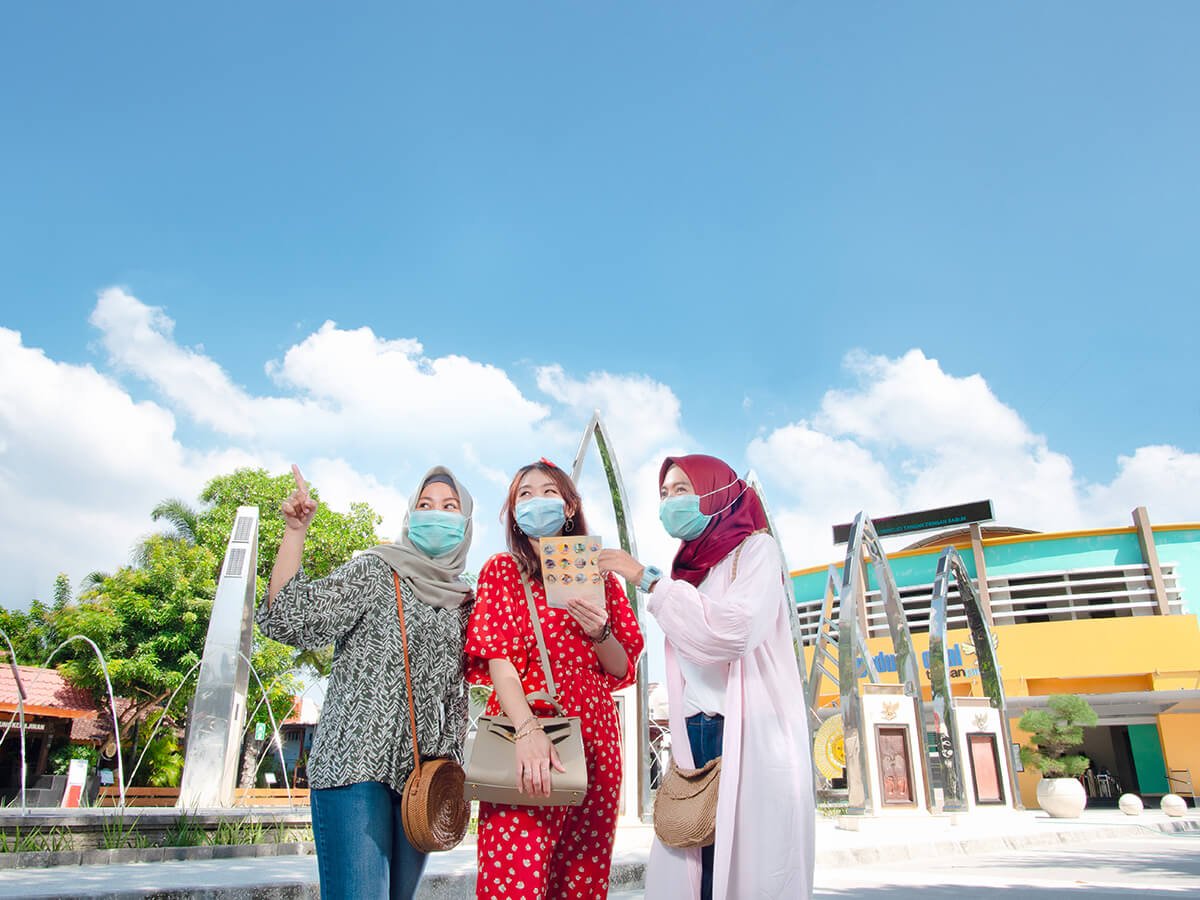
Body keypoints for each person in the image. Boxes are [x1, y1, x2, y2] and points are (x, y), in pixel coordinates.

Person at [600, 454, 814, 900]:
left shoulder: (756, 550)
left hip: (743, 730)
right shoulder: (691, 568)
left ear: (717, 492)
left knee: (739, 864)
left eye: (682, 490)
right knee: (692, 851)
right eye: (664, 493)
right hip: (694, 730)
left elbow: (733, 632)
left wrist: (646, 580)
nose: (669, 502)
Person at [257, 464, 475, 900]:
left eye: (450, 507)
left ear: (467, 522)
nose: (437, 514)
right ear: (410, 516)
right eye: (425, 505)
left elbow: (470, 688)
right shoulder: (376, 572)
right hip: (356, 768)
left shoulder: (467, 601)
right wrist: (295, 532)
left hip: (422, 780)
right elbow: (288, 617)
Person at [465, 459, 645, 900]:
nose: (536, 501)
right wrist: (526, 730)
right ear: (512, 512)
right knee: (513, 882)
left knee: (582, 883)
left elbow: (621, 668)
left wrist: (598, 631)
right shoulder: (503, 571)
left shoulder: (598, 575)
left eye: (549, 492)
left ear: (569, 507)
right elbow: (498, 661)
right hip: (525, 728)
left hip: (596, 737)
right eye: (524, 495)